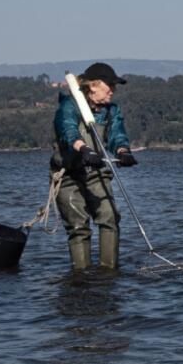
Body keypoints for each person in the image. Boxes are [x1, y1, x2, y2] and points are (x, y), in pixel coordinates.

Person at [51, 62, 137, 271]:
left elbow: (117, 134)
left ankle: (109, 272)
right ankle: (81, 275)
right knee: (78, 226)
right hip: (68, 175)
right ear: (94, 85)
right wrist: (83, 148)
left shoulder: (111, 111)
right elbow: (68, 128)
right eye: (110, 85)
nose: (113, 90)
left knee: (109, 217)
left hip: (96, 171)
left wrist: (123, 152)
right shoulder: (69, 106)